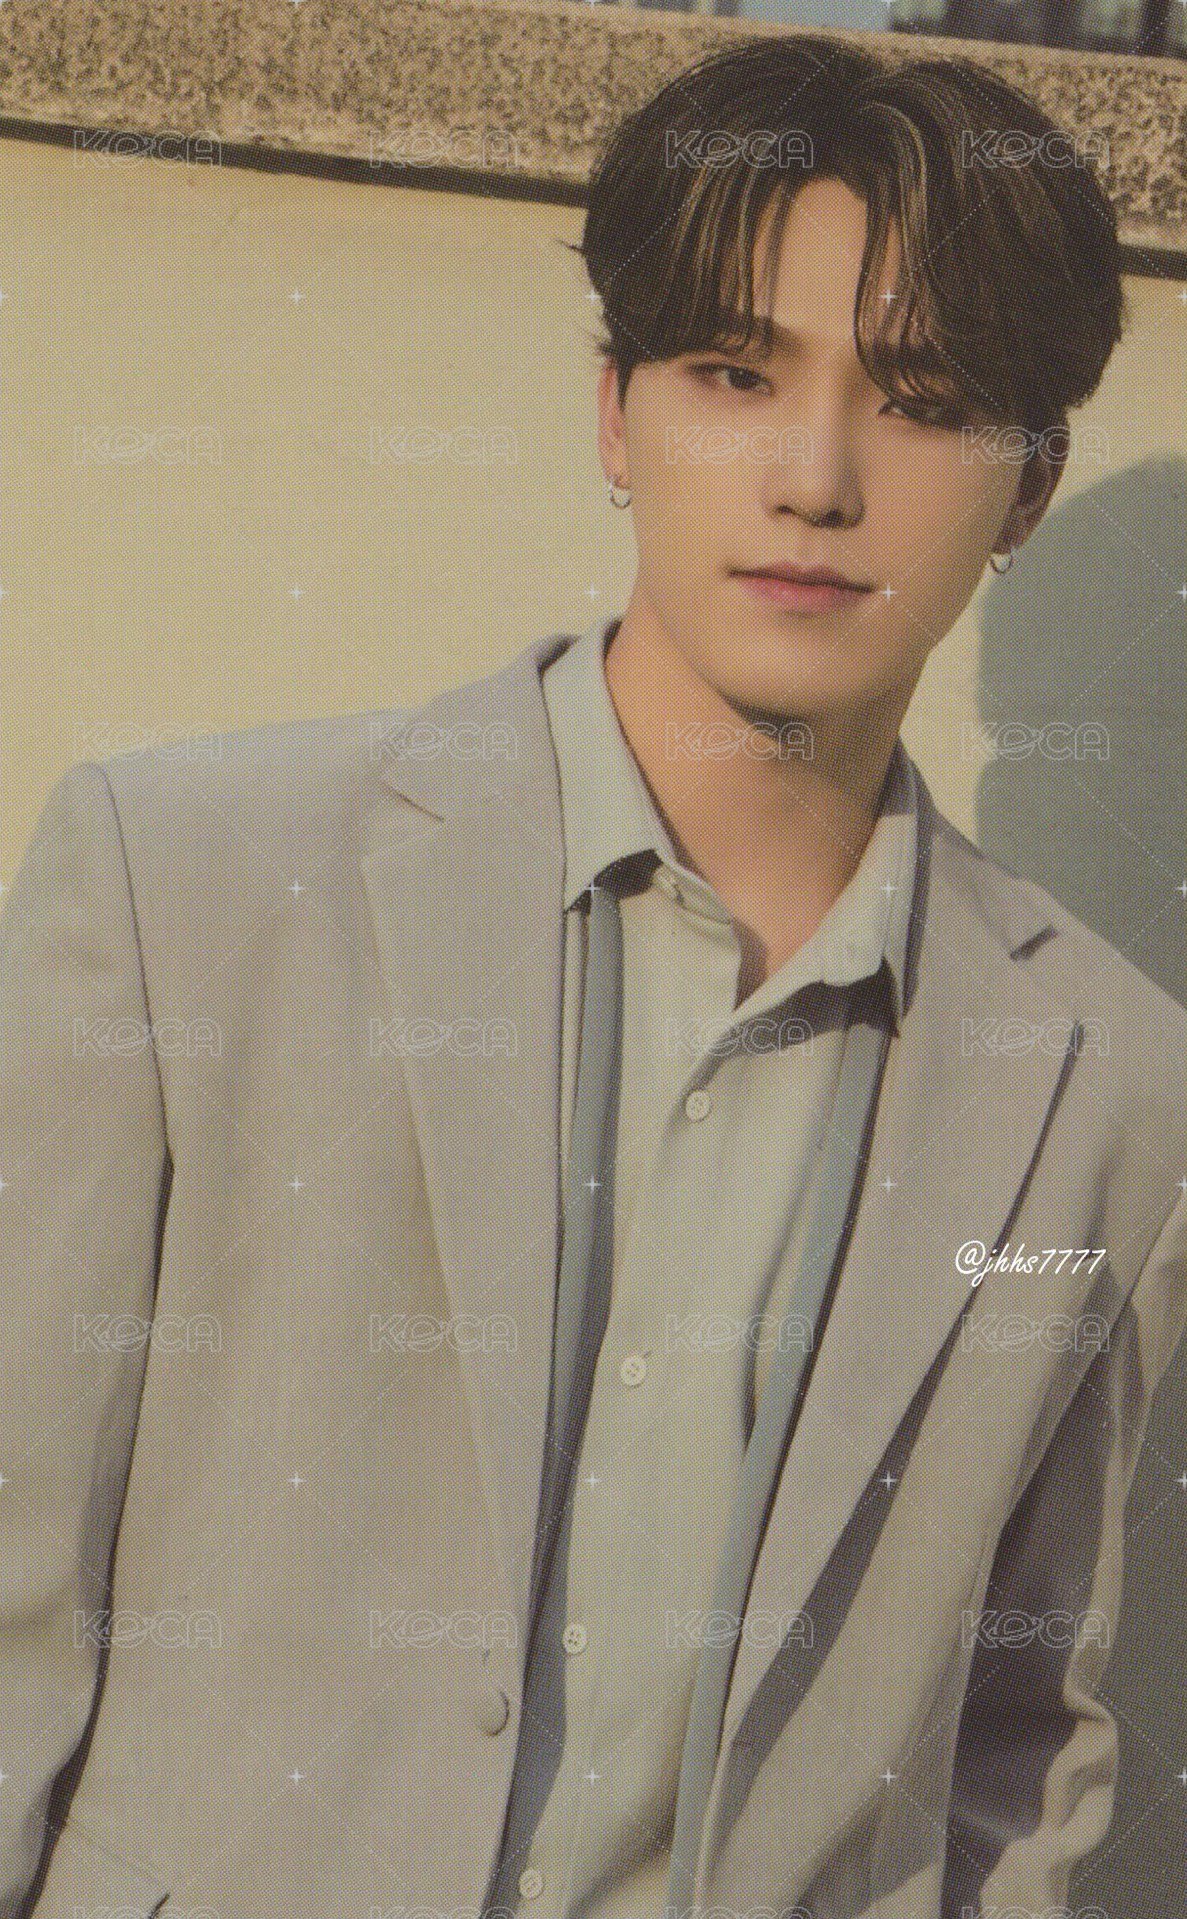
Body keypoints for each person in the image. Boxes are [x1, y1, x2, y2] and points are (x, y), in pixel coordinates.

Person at [1, 33, 1183, 1919]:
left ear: (1028, 484)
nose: (814, 478)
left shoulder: (1112, 1088)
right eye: (736, 373)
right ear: (617, 415)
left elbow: (1019, 1756)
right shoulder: (184, 889)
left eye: (923, 400)